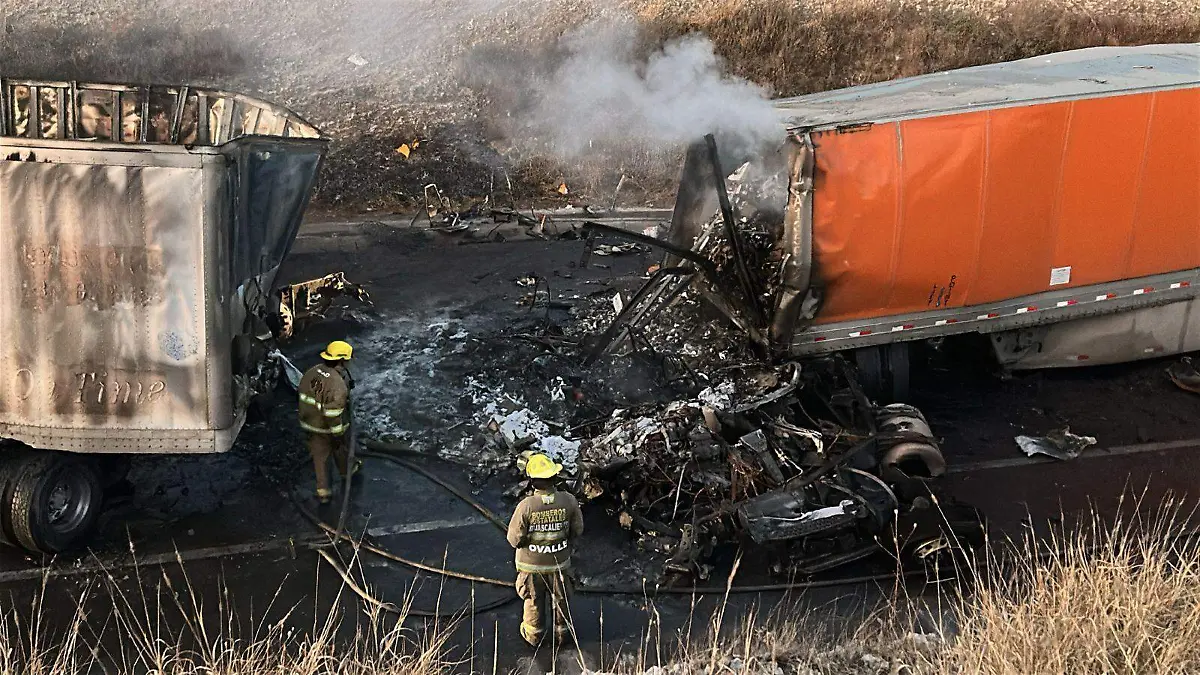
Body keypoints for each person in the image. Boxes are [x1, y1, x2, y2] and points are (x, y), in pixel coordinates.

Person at [506, 454, 584, 647]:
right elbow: (578, 530)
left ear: (532, 482)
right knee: (561, 600)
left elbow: (514, 539)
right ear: (555, 478)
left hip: (531, 567)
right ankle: (562, 636)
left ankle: (534, 638)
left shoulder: (526, 506)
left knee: (533, 601)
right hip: (560, 564)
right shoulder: (569, 501)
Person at [297, 340, 359, 504]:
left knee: (320, 457)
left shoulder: (312, 371)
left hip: (309, 423)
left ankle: (323, 493)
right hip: (327, 428)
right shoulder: (338, 386)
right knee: (339, 448)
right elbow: (332, 415)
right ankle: (347, 472)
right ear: (341, 361)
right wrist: (338, 435)